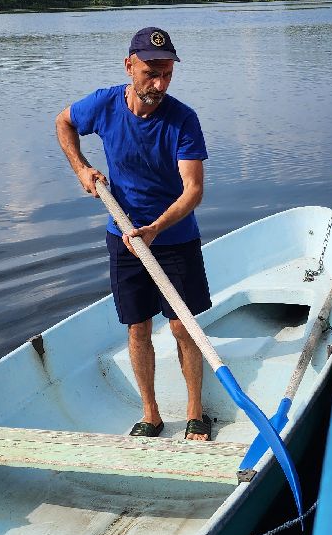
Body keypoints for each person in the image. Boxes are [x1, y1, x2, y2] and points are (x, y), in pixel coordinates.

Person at [55, 26, 214, 441]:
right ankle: (151, 415)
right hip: (124, 235)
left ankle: (196, 412)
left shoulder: (183, 120)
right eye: (150, 73)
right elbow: (64, 122)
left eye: (167, 74)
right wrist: (81, 169)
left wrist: (157, 228)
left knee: (182, 326)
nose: (159, 84)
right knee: (137, 327)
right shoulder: (105, 104)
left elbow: (193, 190)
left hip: (174, 236)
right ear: (129, 66)